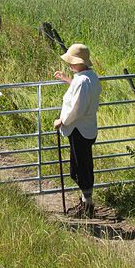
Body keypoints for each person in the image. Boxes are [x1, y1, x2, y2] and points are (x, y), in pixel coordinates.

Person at [53, 42, 100, 217]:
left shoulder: (82, 80)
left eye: (72, 61)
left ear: (80, 62)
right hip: (86, 128)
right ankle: (86, 203)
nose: (69, 64)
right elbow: (82, 94)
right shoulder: (90, 77)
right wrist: (68, 80)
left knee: (80, 169)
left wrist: (62, 120)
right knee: (83, 166)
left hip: (78, 129)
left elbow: (78, 108)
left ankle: (87, 206)